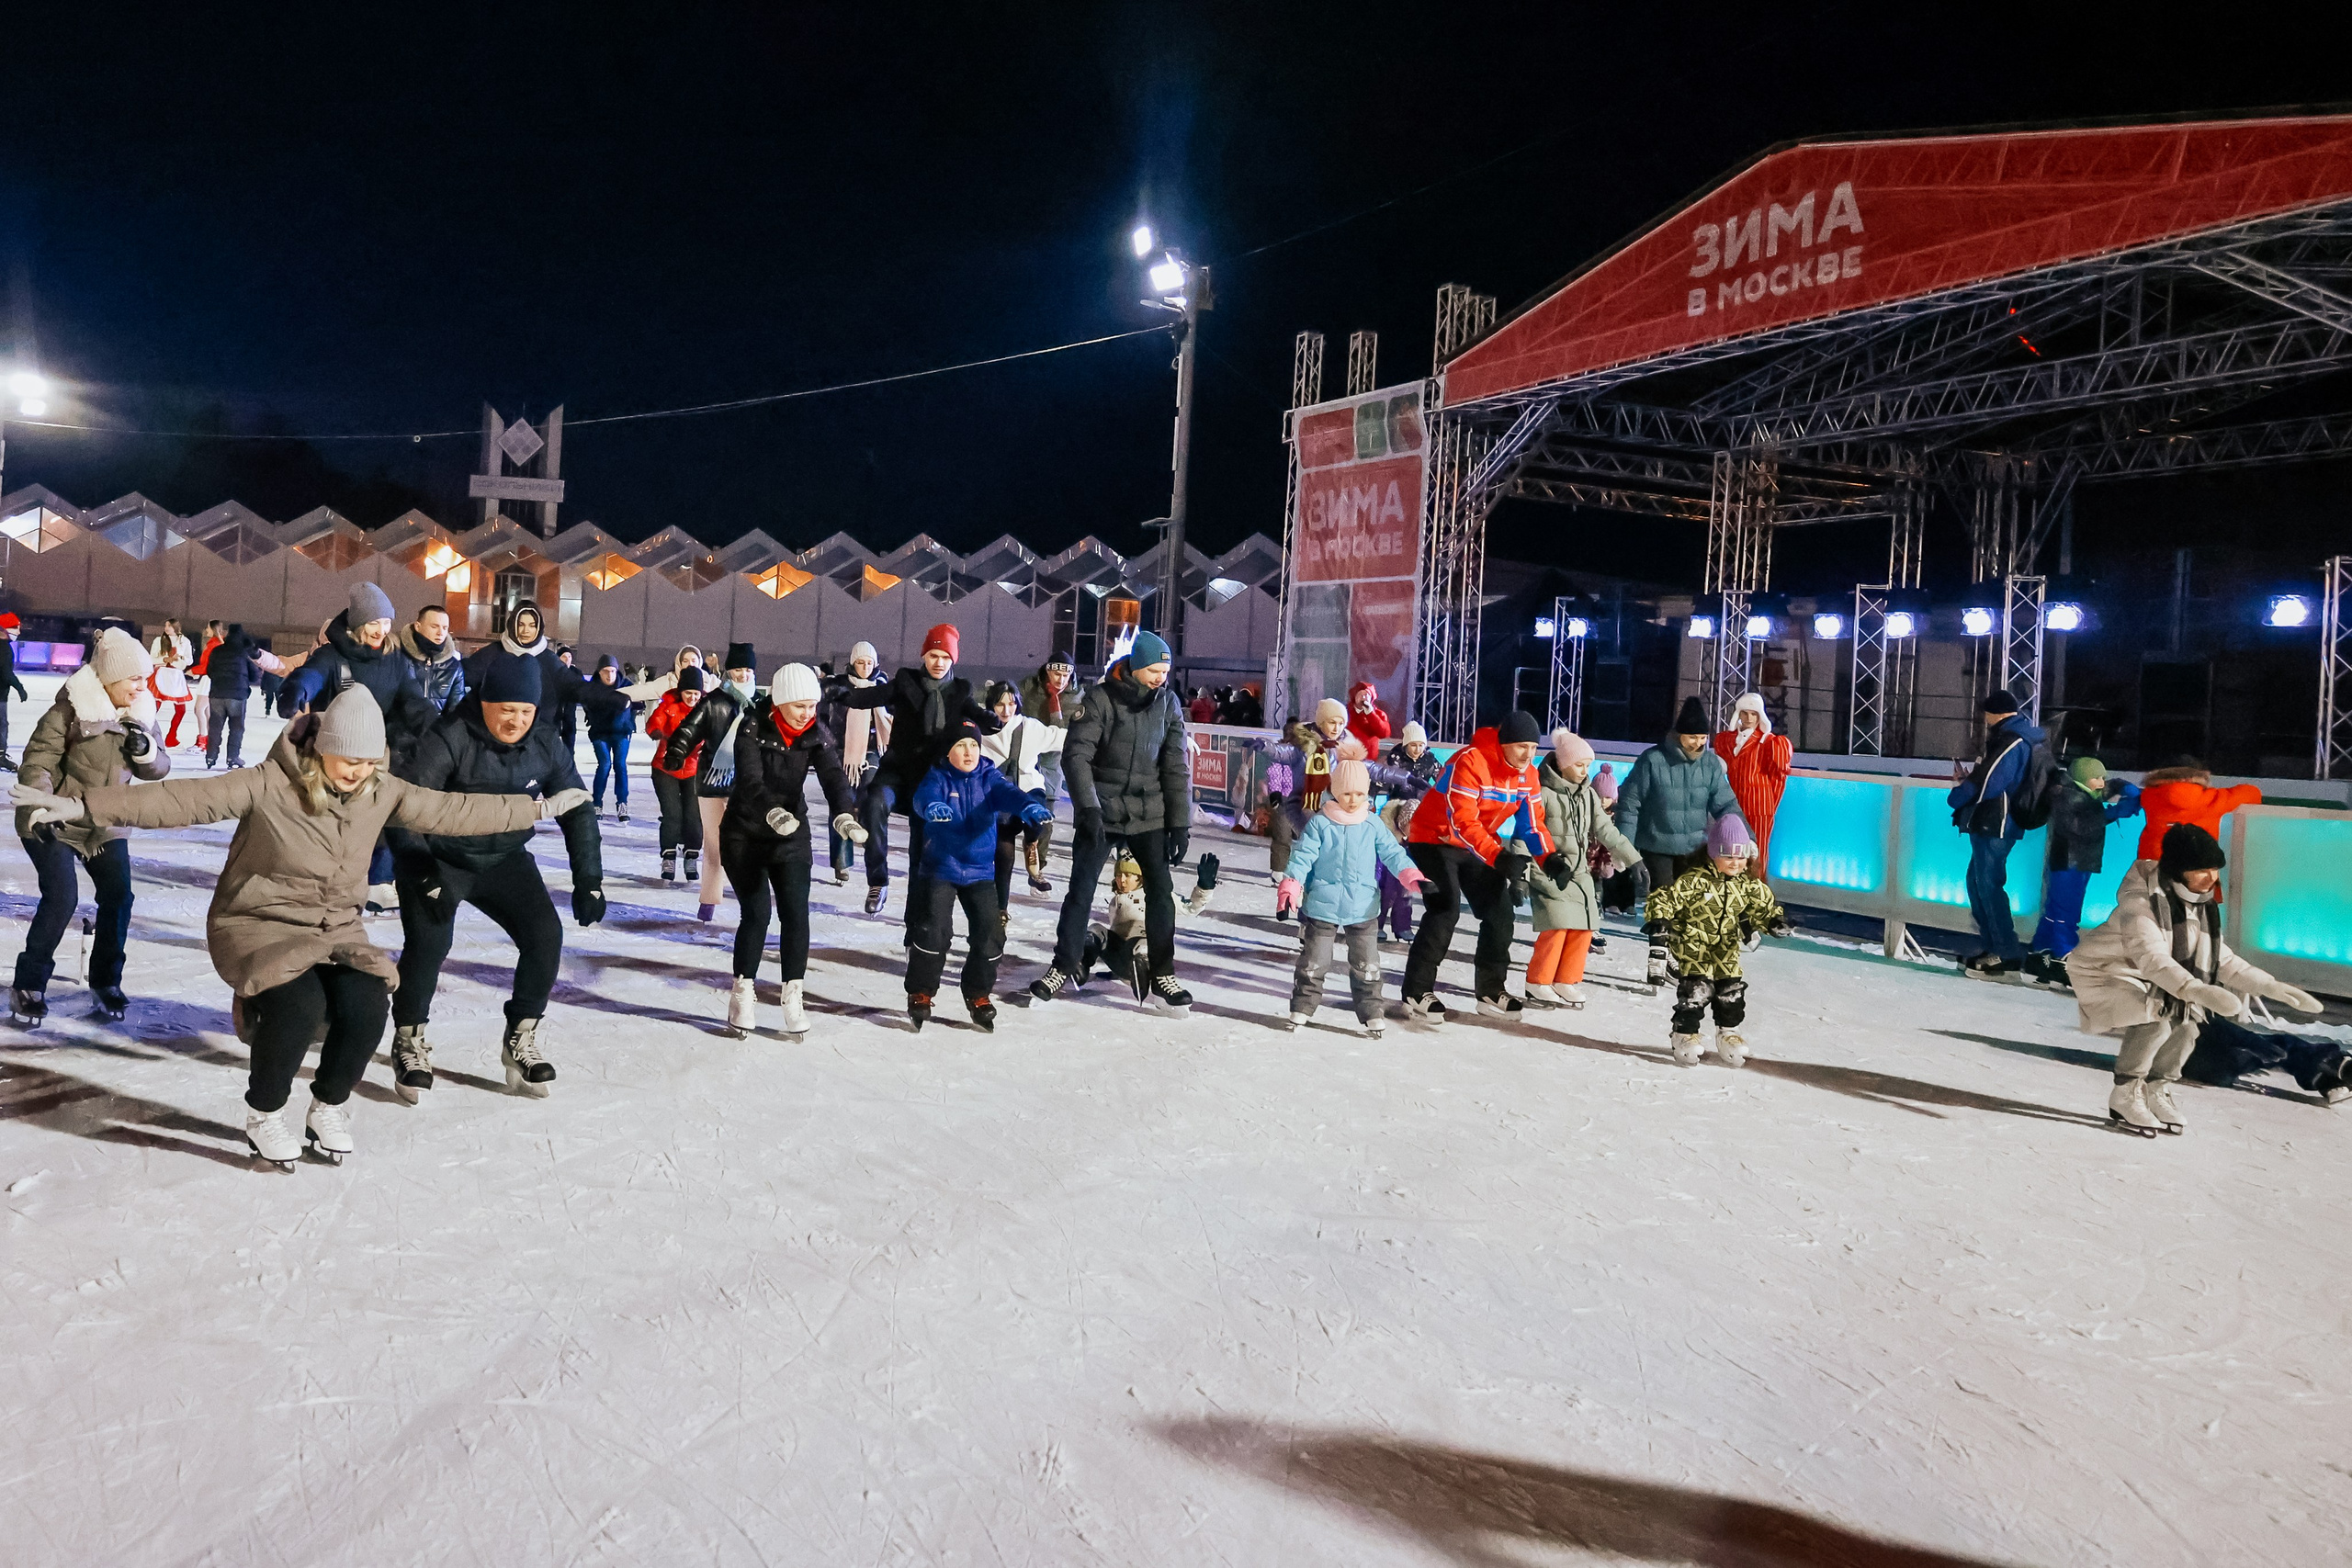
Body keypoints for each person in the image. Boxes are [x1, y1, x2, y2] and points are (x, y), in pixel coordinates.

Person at [14, 686, 576, 1168]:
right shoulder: (268, 783)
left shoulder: (382, 791)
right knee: (300, 1005)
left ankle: (328, 1107)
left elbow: (452, 811)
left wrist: (539, 810)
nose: (357, 772)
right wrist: (82, 806)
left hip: (335, 928)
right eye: (347, 760)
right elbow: (179, 799)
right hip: (256, 922)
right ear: (323, 748)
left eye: (368, 762)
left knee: (368, 1003)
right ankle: (265, 1114)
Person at [389, 654, 605, 1100]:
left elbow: (577, 806)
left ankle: (520, 1037)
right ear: (485, 702)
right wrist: (419, 870)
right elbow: (403, 808)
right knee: (430, 941)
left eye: (526, 711)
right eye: (507, 709)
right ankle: (409, 1038)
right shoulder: (450, 736)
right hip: (440, 858)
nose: (517, 720)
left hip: (504, 856)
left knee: (545, 935)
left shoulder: (545, 742)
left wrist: (589, 879)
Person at [2066, 824, 2323, 1134]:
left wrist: (2269, 985)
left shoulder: (2199, 905)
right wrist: (2195, 989)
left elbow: (2220, 958)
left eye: (2214, 869)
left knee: (2187, 1026)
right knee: (2155, 1021)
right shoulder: (2141, 905)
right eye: (2201, 870)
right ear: (2178, 869)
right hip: (2106, 969)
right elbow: (2152, 958)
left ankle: (2157, 1088)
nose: (2211, 877)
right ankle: (2125, 1092)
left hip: (2157, 975)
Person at [7, 629, 168, 1025]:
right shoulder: (69, 711)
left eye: (143, 678)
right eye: (133, 678)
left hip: (105, 823)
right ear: (109, 679)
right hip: (54, 820)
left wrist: (145, 752)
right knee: (62, 897)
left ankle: (106, 981)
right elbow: (37, 763)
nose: (141, 686)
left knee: (119, 896)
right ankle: (29, 984)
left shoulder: (142, 713)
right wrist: (40, 807)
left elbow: (161, 767)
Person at [1032, 630, 1194, 1013]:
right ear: (1136, 666)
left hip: (1148, 811)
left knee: (1161, 892)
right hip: (1103, 809)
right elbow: (1076, 755)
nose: (1160, 677)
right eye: (1153, 670)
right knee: (1081, 890)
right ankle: (1063, 964)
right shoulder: (1100, 699)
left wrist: (1180, 823)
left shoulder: (1168, 703)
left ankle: (1163, 973)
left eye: (1164, 671)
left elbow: (1175, 766)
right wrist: (1088, 808)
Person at [720, 663, 865, 1036]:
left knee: (796, 913)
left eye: (812, 706)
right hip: (745, 832)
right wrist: (772, 810)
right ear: (781, 702)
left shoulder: (814, 732)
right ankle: (743, 991)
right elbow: (750, 782)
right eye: (799, 706)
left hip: (791, 834)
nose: (807, 714)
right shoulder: (751, 728)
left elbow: (833, 776)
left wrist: (845, 814)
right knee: (757, 914)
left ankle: (793, 993)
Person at [280, 582, 439, 912]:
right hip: (332, 752)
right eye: (373, 623)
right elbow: (312, 675)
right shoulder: (333, 655)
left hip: (376, 752)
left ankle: (378, 881)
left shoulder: (394, 659)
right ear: (357, 625)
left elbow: (410, 698)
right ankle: (317, 879)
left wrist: (435, 724)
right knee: (328, 817)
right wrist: (297, 688)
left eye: (386, 623)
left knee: (379, 814)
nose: (381, 631)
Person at [1399, 709, 1566, 1022]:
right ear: (1504, 743)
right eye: (1521, 747)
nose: (1528, 755)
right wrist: (1499, 857)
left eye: (1533, 748)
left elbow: (1532, 824)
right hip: (1433, 839)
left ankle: (1491, 990)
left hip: (1477, 846)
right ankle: (1416, 991)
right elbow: (1462, 821)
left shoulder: (1528, 775)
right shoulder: (1470, 761)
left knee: (1499, 911)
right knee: (1445, 907)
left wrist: (1550, 858)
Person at [831, 623, 999, 919]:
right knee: (874, 803)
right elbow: (869, 698)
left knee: (920, 853)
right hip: (897, 770)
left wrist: (994, 718)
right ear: (924, 656)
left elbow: (977, 717)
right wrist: (839, 693)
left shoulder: (960, 690)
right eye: (933, 655)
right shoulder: (905, 681)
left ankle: (915, 926)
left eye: (945, 657)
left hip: (932, 780)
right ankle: (878, 880)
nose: (939, 662)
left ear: (953, 660)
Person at [905, 720, 1051, 1032]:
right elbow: (923, 796)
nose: (969, 752)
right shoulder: (939, 776)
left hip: (980, 870)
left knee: (991, 934)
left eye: (973, 745)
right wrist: (931, 806)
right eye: (960, 745)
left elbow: (1008, 793)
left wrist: (1028, 806)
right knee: (934, 932)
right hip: (940, 867)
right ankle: (921, 991)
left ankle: (978, 993)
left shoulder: (989, 776)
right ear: (949, 751)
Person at [1276, 752, 1425, 1034]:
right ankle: (1302, 1007)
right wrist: (1290, 886)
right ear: (1334, 791)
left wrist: (1412, 876)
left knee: (1367, 965)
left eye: (1359, 793)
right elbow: (1302, 858)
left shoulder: (1372, 825)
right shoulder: (1320, 824)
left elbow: (1394, 854)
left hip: (1364, 906)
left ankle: (1371, 1011)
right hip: (1322, 905)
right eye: (1346, 793)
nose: (1353, 799)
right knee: (1314, 962)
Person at [1613, 696, 1745, 987]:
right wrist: (1625, 848)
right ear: (1678, 734)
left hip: (1693, 848)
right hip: (1656, 844)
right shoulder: (1653, 760)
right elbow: (1630, 804)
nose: (1698, 743)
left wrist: (1743, 837)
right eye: (1692, 737)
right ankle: (1658, 958)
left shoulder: (1710, 765)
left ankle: (1677, 957)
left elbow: (1726, 806)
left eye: (1702, 737)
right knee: (1662, 902)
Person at [1645, 815, 1791, 1066]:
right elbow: (1665, 898)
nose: (1736, 863)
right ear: (1713, 854)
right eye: (1728, 856)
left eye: (1741, 856)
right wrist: (1660, 920)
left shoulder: (1747, 885)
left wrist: (1774, 922)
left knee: (1731, 993)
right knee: (1696, 993)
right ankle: (1684, 1035)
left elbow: (1763, 908)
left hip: (1726, 951)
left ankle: (1728, 1033)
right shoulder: (1695, 881)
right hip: (1695, 948)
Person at [1525, 729, 1643, 1009]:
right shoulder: (1541, 793)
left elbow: (1604, 829)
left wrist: (1633, 859)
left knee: (1585, 926)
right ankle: (1538, 982)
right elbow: (1527, 830)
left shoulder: (1587, 796)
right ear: (1563, 763)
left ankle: (1566, 979)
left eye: (1587, 766)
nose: (1583, 771)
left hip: (1579, 872)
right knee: (1558, 925)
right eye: (1579, 765)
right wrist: (1518, 872)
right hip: (1548, 868)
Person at [1946, 687, 2056, 980]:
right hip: (1996, 820)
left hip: (1997, 822)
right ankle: (1995, 947)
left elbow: (1992, 782)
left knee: (1988, 884)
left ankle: (2005, 953)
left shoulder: (2011, 740)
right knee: (1979, 882)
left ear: (1993, 714)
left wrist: (1959, 795)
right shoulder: (2018, 737)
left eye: (1985, 714)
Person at [659, 643, 761, 920]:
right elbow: (688, 729)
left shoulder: (758, 707)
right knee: (714, 845)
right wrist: (676, 753)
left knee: (744, 844)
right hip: (712, 783)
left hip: (746, 784)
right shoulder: (713, 701)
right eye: (738, 669)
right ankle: (709, 900)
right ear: (729, 670)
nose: (743, 675)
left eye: (748, 670)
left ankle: (749, 897)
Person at [2026, 756, 2143, 980]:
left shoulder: (2087, 790)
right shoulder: (2065, 795)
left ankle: (2039, 951)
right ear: (2082, 779)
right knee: (2065, 910)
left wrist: (2125, 786)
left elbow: (2109, 787)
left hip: (2080, 860)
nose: (2101, 783)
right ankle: (2064, 954)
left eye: (2102, 778)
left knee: (2057, 909)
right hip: (2068, 860)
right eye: (2096, 778)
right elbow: (2080, 825)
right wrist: (2114, 812)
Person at [1081, 851, 1216, 995]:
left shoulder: (1156, 895)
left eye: (1128, 875)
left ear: (1139, 877)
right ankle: (1079, 965)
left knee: (1145, 942)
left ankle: (1142, 970)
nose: (1122, 880)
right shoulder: (1116, 901)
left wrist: (1204, 887)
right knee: (1095, 930)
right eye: (1119, 875)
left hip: (1146, 955)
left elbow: (1191, 907)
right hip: (1120, 958)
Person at [982, 680, 1066, 908]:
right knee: (1003, 848)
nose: (1006, 710)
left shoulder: (1029, 727)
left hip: (1029, 787)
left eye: (1011, 703)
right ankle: (1001, 908)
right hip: (999, 793)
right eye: (1000, 704)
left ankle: (1032, 843)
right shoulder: (982, 728)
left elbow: (1059, 737)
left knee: (1038, 817)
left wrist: (1093, 735)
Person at [822, 640, 891, 887]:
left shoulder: (882, 688)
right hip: (843, 752)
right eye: (859, 662)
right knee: (841, 803)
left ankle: (864, 832)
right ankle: (841, 862)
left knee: (869, 795)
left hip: (872, 750)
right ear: (852, 663)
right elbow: (823, 709)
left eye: (869, 663)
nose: (864, 667)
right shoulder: (840, 686)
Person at [1713, 692, 1792, 872]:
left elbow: (1778, 777)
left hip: (1759, 805)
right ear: (1738, 713)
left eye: (1754, 713)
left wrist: (1769, 806)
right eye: (1745, 713)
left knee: (1757, 851)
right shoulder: (1726, 740)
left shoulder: (1770, 742)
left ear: (1760, 715)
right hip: (1732, 803)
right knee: (1731, 849)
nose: (1749, 718)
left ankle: (1756, 894)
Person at [2133, 755, 2262, 863]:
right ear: (2198, 776)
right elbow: (2253, 793)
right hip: (2197, 869)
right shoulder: (2211, 799)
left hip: (2154, 864)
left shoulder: (2149, 797)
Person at [644, 666, 706, 882]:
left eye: (696, 694)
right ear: (681, 691)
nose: (692, 697)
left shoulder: (704, 710)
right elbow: (655, 721)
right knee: (672, 815)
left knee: (693, 816)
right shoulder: (669, 705)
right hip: (665, 767)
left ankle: (691, 855)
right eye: (688, 693)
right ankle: (668, 856)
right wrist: (656, 732)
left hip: (693, 769)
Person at [200, 624, 277, 771]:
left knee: (215, 727)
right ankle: (232, 757)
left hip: (217, 694)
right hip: (237, 695)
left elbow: (210, 671)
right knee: (236, 727)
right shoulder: (243, 653)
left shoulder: (217, 651)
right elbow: (255, 676)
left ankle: (211, 756)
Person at [579, 656, 639, 822]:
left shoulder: (626, 686)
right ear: (599, 672)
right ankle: (597, 802)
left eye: (612, 671)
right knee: (604, 765)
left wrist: (629, 718)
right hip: (600, 733)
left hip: (621, 733)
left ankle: (622, 803)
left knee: (620, 765)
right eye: (605, 671)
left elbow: (639, 702)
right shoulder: (592, 688)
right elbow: (586, 702)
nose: (609, 675)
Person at [397, 603, 469, 716]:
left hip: (436, 731)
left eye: (445, 628)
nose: (440, 633)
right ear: (418, 626)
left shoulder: (453, 666)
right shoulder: (398, 658)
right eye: (434, 627)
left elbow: (456, 712)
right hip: (400, 732)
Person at [148, 616, 198, 749]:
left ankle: (171, 736)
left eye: (169, 625)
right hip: (161, 674)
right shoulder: (159, 640)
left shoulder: (184, 641)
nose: (166, 628)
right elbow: (151, 658)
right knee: (154, 707)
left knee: (181, 709)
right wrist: (165, 659)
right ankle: (147, 732)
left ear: (175, 627)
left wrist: (179, 659)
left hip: (176, 676)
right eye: (165, 626)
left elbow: (190, 660)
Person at [0, 613, 29, 771]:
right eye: (15, 628)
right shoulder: (4, 649)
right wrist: (20, 688)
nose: (18, 632)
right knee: (1, 725)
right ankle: (0, 756)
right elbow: (6, 673)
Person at [1385, 721, 1442, 797]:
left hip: (1422, 803)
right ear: (1406, 745)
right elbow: (1382, 780)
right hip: (1398, 802)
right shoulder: (1395, 758)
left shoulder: (1430, 760)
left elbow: (1443, 779)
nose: (1418, 749)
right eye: (1413, 745)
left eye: (1421, 745)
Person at [1344, 681, 1392, 751]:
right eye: (1360, 695)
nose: (1363, 697)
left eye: (1366, 695)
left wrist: (1371, 714)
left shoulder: (1379, 714)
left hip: (1369, 759)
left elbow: (1384, 734)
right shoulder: (1345, 712)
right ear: (1355, 696)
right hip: (1347, 757)